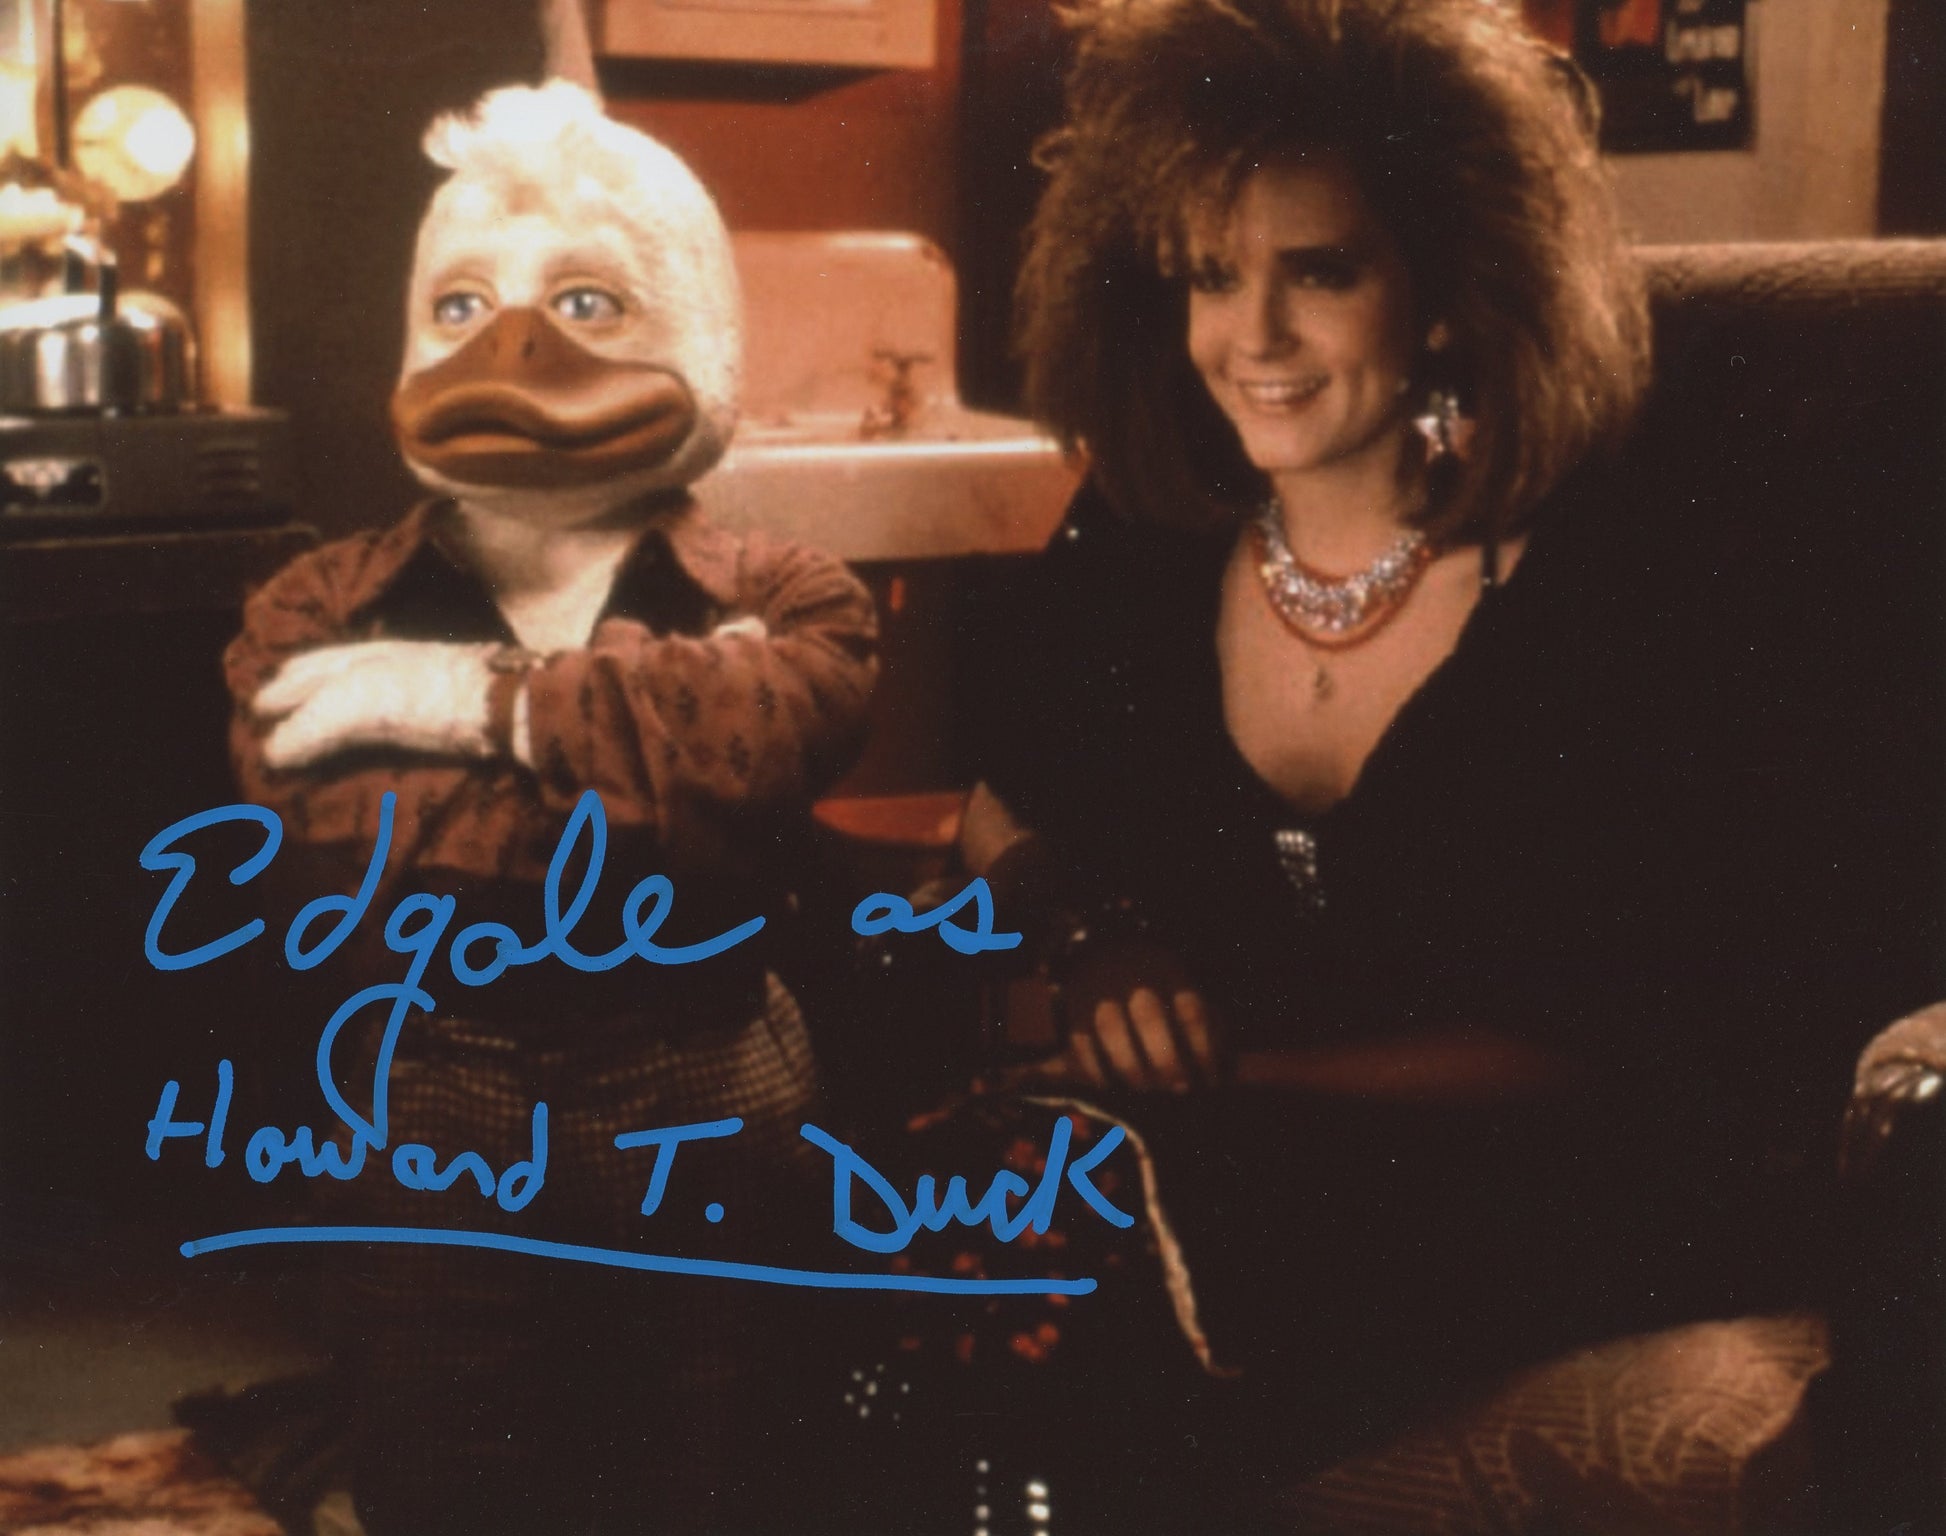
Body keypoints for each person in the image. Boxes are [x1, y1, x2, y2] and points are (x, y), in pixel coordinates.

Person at [958, 0, 1934, 1513]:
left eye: (1319, 271)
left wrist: (1237, 1083)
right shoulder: (1152, 535)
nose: (1251, 338)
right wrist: (1095, 941)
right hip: (1229, 1165)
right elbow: (1004, 797)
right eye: (1211, 275)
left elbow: (1651, 1041)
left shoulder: (1626, 576)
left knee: (1051, 1227)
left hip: (1560, 1179)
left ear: (1441, 289)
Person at [224, 83, 876, 1534]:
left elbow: (775, 739)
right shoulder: (313, 609)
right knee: (446, 1475)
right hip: (435, 1096)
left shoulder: (797, 597)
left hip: (712, 1090)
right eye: (460, 304)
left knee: (712, 1477)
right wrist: (658, 755)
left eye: (587, 300)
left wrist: (466, 705)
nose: (510, 349)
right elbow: (342, 857)